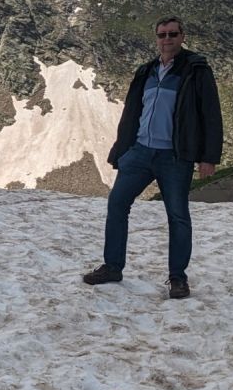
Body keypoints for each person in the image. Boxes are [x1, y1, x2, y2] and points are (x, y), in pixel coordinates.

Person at [83, 16, 223, 299]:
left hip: (175, 156)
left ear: (182, 36)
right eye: (162, 35)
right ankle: (112, 266)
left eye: (172, 34)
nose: (167, 39)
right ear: (156, 39)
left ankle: (177, 278)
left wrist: (208, 157)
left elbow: (210, 113)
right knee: (117, 203)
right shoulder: (146, 72)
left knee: (178, 215)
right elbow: (132, 113)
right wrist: (122, 150)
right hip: (140, 151)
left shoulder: (196, 70)